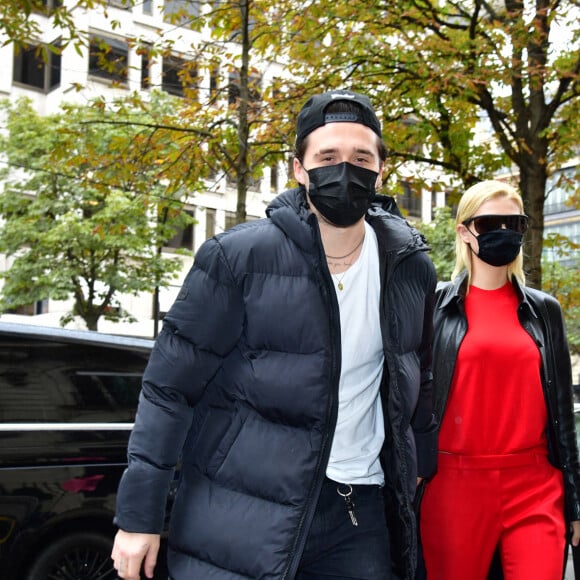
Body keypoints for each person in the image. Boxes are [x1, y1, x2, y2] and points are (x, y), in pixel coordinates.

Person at [111, 89, 438, 580]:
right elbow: (169, 390)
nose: (345, 170)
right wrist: (138, 516)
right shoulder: (236, 258)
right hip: (239, 511)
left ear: (381, 170)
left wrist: (418, 463)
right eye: (327, 157)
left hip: (359, 512)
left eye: (361, 157)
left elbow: (420, 376)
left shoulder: (411, 267)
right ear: (299, 169)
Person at [419, 180, 580, 580]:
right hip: (453, 485)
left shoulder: (545, 311)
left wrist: (574, 502)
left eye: (514, 224)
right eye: (490, 223)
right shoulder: (433, 307)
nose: (504, 234)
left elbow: (562, 409)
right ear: (464, 231)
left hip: (535, 484)